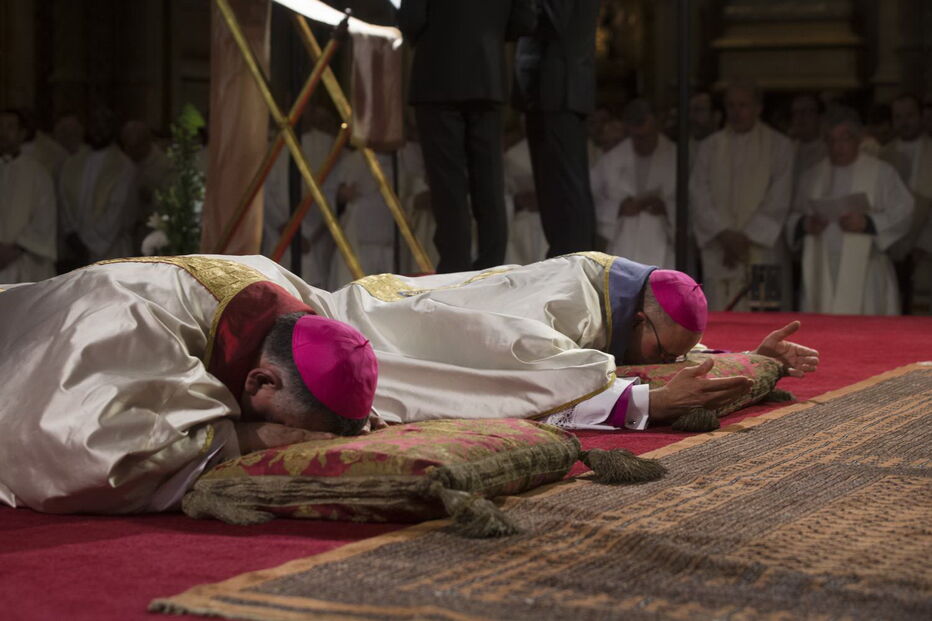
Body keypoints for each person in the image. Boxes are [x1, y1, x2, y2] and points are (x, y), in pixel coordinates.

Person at [0, 255, 378, 514]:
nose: (289, 436)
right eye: (286, 424)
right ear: (260, 381)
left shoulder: (297, 312)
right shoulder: (133, 329)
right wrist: (246, 438)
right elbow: (89, 452)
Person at [329, 252, 819, 429]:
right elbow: (531, 367)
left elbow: (674, 347)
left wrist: (756, 357)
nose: (670, 362)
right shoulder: (567, 302)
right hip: (376, 326)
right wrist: (652, 401)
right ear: (638, 320)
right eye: (663, 353)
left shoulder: (627, 300)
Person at [398, 0, 537, 273]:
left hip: (437, 73)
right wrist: (488, 33)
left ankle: (455, 266)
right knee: (489, 177)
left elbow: (412, 17)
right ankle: (491, 265)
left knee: (447, 181)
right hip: (487, 72)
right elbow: (525, 19)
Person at [788, 107, 913, 314]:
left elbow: (904, 211)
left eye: (844, 139)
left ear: (858, 139)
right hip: (822, 269)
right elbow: (792, 216)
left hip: (866, 270)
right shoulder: (812, 176)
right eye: (831, 140)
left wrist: (869, 223)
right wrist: (805, 224)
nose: (837, 146)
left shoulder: (881, 172)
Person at [690, 82, 795, 311]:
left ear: (758, 108)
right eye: (731, 105)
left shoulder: (780, 146)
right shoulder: (709, 147)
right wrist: (725, 235)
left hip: (761, 249)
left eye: (743, 105)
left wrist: (744, 239)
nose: (736, 112)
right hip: (720, 249)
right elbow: (699, 196)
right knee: (721, 317)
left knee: (763, 318)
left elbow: (779, 199)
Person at [514, 0, 601, 257]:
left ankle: (573, 260)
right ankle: (566, 257)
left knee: (565, 188)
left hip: (559, 86)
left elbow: (558, 17)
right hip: (549, 87)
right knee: (554, 188)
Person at [591, 98, 676, 267]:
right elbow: (592, 199)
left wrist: (666, 207)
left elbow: (692, 201)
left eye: (646, 137)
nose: (641, 142)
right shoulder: (612, 159)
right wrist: (619, 207)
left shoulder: (675, 157)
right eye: (636, 138)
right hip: (624, 243)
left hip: (661, 243)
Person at [58, 106, 138, 267]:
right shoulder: (72, 162)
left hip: (110, 249)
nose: (98, 130)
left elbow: (117, 211)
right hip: (75, 246)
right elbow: (64, 201)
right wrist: (71, 234)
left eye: (104, 125)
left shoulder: (123, 166)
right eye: (94, 124)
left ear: (113, 129)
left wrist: (86, 245)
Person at [0, 109, 57, 282]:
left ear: (22, 134)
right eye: (0, 126)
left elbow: (44, 217)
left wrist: (15, 249)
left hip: (25, 261)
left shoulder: (37, 172)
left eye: (10, 127)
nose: (3, 132)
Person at [120, 120, 173, 252]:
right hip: (127, 233)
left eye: (134, 147)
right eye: (127, 147)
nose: (129, 151)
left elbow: (171, 201)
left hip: (153, 230)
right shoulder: (124, 163)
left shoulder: (165, 165)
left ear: (145, 143)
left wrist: (151, 197)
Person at [788, 94, 826, 185]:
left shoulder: (828, 152)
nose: (800, 117)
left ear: (819, 117)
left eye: (807, 112)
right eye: (796, 112)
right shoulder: (786, 150)